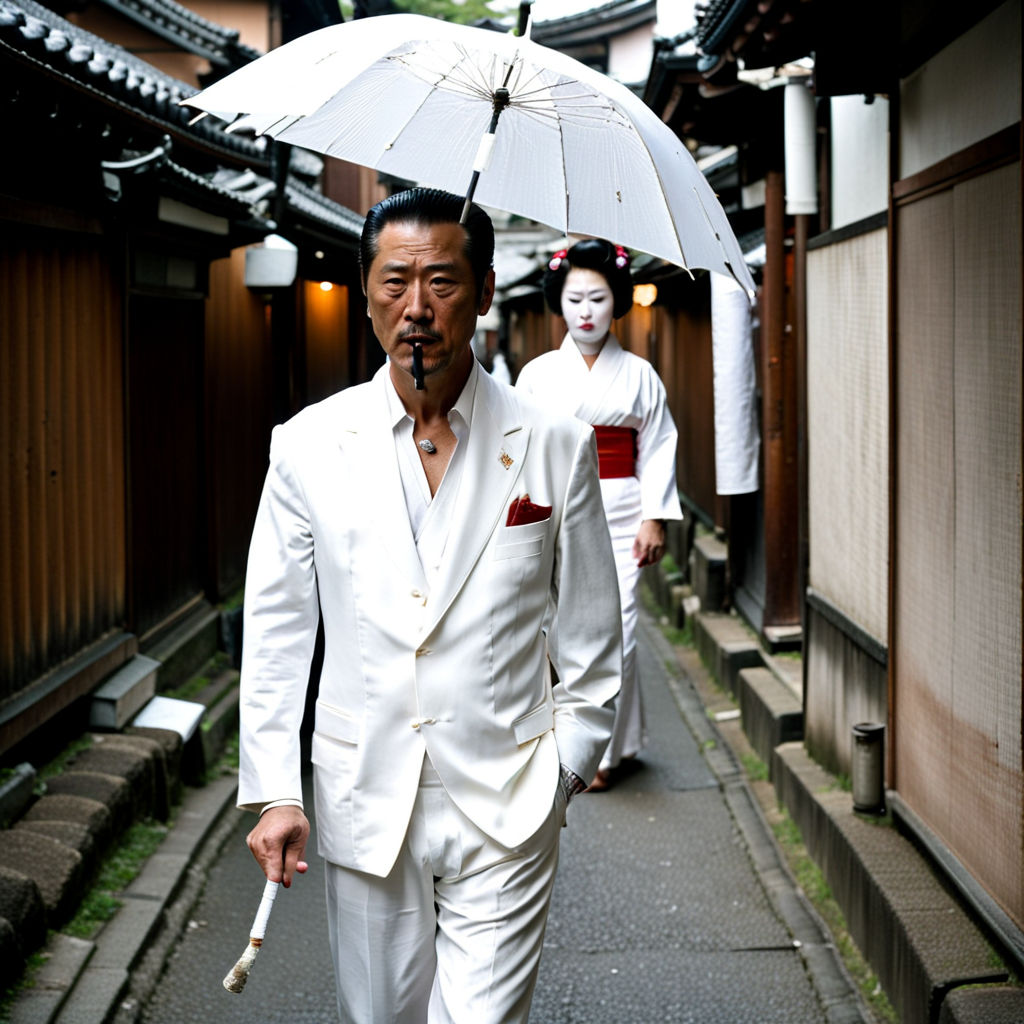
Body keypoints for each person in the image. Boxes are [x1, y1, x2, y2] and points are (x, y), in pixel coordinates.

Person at [237, 188, 622, 1023]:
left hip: (513, 793)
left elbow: (593, 631)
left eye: (442, 282)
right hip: (363, 789)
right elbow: (277, 626)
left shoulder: (556, 443)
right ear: (367, 293)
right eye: (395, 281)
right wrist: (275, 787)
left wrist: (568, 763)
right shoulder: (308, 446)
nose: (418, 307)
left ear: (483, 293)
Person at [516, 239, 683, 792]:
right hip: (556, 511)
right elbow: (519, 448)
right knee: (559, 629)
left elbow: (658, 444)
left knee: (622, 631)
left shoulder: (639, 376)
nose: (586, 311)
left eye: (599, 298)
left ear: (618, 303)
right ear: (558, 303)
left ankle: (605, 753)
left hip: (621, 511)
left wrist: (655, 516)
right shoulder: (538, 376)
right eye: (575, 299)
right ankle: (566, 739)